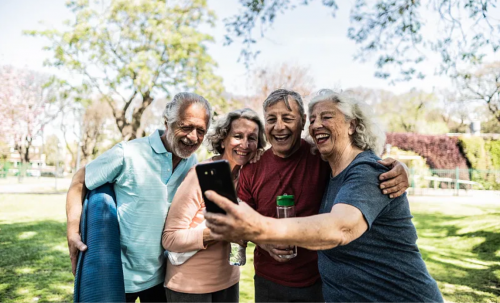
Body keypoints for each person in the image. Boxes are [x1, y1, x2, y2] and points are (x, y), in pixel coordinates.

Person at [204, 89, 443, 303]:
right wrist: (262, 239)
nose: (279, 126)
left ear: (301, 123)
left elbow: (342, 226)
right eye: (271, 120)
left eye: (288, 118)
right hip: (275, 282)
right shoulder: (324, 164)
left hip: (320, 284)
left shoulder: (328, 161)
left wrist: (259, 227)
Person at [66, 92, 211, 303]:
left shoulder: (192, 161)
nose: (193, 137)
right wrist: (72, 230)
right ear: (167, 123)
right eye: (186, 127)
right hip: (116, 277)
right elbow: (79, 180)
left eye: (201, 131)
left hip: (162, 277)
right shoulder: (128, 153)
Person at [161, 108, 266, 302]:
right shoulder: (201, 174)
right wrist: (220, 232)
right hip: (190, 288)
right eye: (237, 136)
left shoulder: (249, 179)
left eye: (252, 138)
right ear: (223, 138)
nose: (245, 144)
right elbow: (170, 238)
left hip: (229, 283)